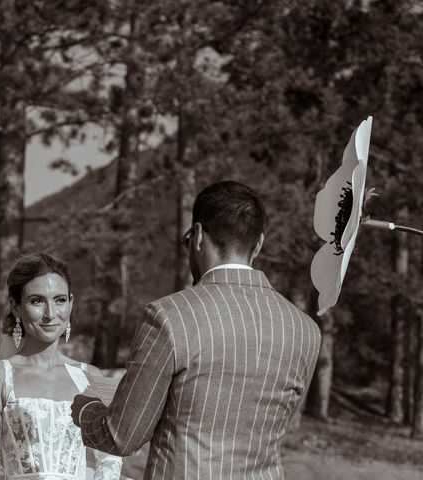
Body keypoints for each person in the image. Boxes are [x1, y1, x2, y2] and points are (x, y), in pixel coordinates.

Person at [71, 180, 321, 480]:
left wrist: (85, 411)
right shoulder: (305, 329)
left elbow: (123, 436)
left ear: (199, 236)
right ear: (259, 244)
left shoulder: (167, 316)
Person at [0, 253, 122, 480]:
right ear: (16, 307)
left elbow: (110, 461)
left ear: (71, 304)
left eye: (60, 300)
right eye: (37, 301)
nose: (50, 314)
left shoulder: (91, 376)